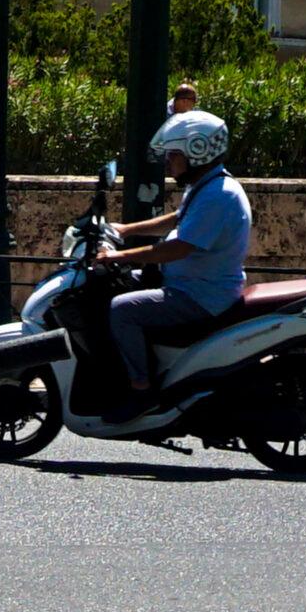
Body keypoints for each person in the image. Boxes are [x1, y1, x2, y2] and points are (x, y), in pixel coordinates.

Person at [91, 110, 250, 423]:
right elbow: (177, 219)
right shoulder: (207, 185)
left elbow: (178, 248)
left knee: (124, 309)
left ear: (197, 152)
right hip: (188, 286)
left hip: (200, 296)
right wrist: (125, 229)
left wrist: (120, 256)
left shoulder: (219, 195)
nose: (168, 163)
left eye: (174, 155)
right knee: (115, 285)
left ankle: (141, 389)